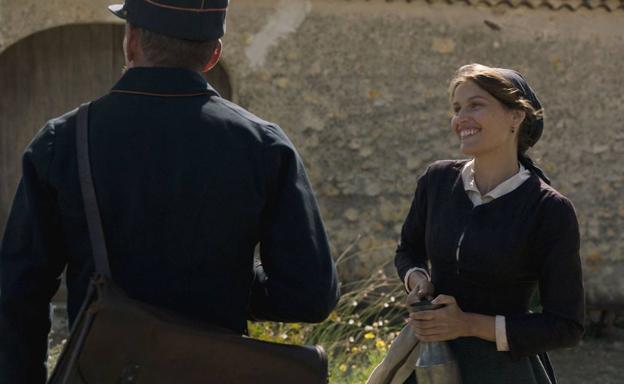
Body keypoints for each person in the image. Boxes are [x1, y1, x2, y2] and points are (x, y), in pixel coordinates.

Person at [0, 1, 339, 382]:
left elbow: (17, 294)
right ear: (213, 55)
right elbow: (309, 295)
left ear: (130, 41)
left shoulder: (61, 142)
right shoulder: (264, 145)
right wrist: (223, 285)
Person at [395, 63, 584, 383]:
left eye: (476, 105)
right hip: (427, 364)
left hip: (502, 371)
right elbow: (408, 250)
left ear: (516, 116)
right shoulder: (437, 181)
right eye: (457, 109)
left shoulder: (547, 209)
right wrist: (418, 280)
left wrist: (467, 324)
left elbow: (566, 326)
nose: (460, 118)